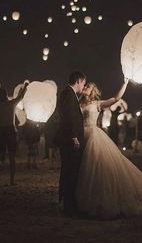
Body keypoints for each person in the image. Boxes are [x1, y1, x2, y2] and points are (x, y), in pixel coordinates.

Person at [76, 78, 142, 219]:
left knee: (94, 167)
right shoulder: (78, 102)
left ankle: (97, 199)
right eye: (85, 85)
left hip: (93, 135)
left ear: (93, 91)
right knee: (81, 168)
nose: (86, 87)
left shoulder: (97, 104)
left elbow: (116, 98)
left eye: (88, 86)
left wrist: (125, 83)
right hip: (80, 136)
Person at [55, 71, 86, 217]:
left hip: (67, 139)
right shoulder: (68, 94)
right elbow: (69, 117)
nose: (83, 86)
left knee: (67, 172)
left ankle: (65, 203)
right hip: (69, 140)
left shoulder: (68, 93)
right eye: (83, 83)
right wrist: (74, 136)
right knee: (70, 173)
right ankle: (69, 207)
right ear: (78, 81)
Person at [0, 83, 28, 185]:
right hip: (10, 131)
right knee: (12, 157)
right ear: (6, 95)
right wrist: (25, 87)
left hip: (1, 131)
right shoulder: (11, 104)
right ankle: (12, 180)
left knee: (1, 157)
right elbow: (20, 97)